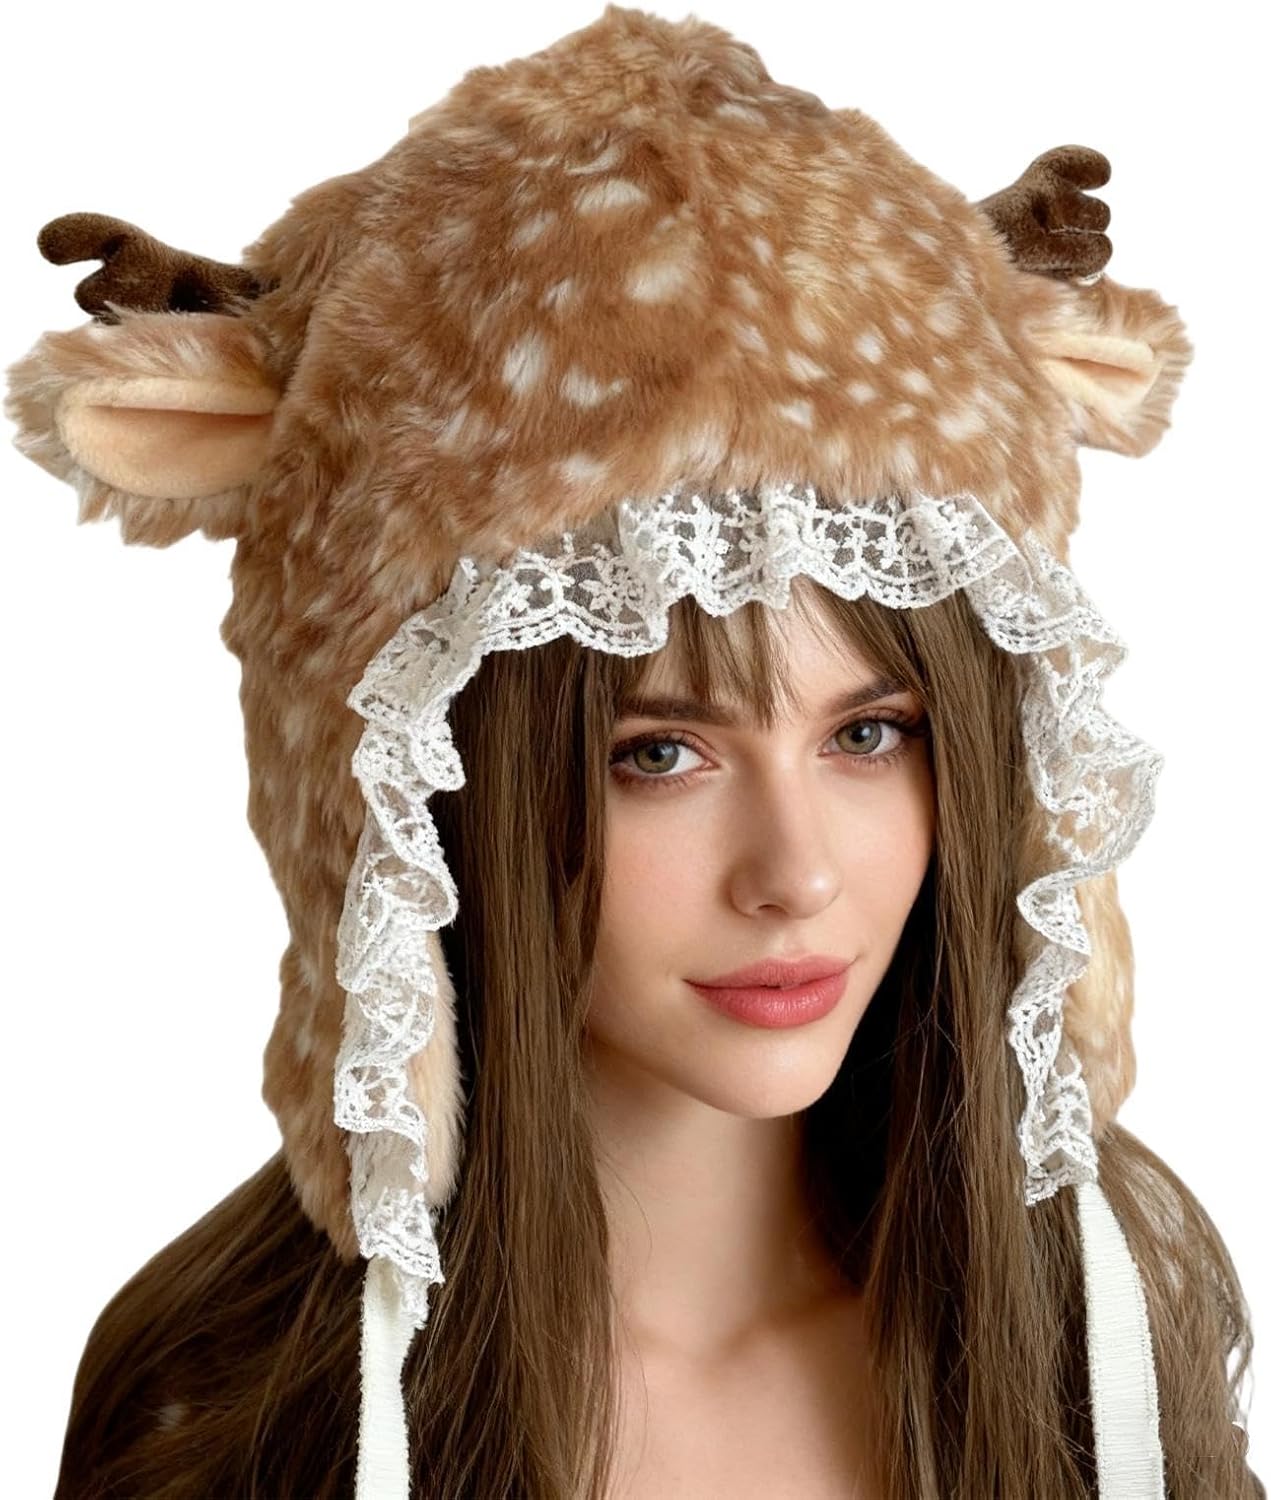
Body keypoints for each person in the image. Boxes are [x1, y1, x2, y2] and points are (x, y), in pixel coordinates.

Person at [3, 7, 1262, 1497]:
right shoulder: (231, 1413)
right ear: (412, 795)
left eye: (869, 734)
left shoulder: (1096, 1339)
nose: (797, 876)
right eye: (659, 755)